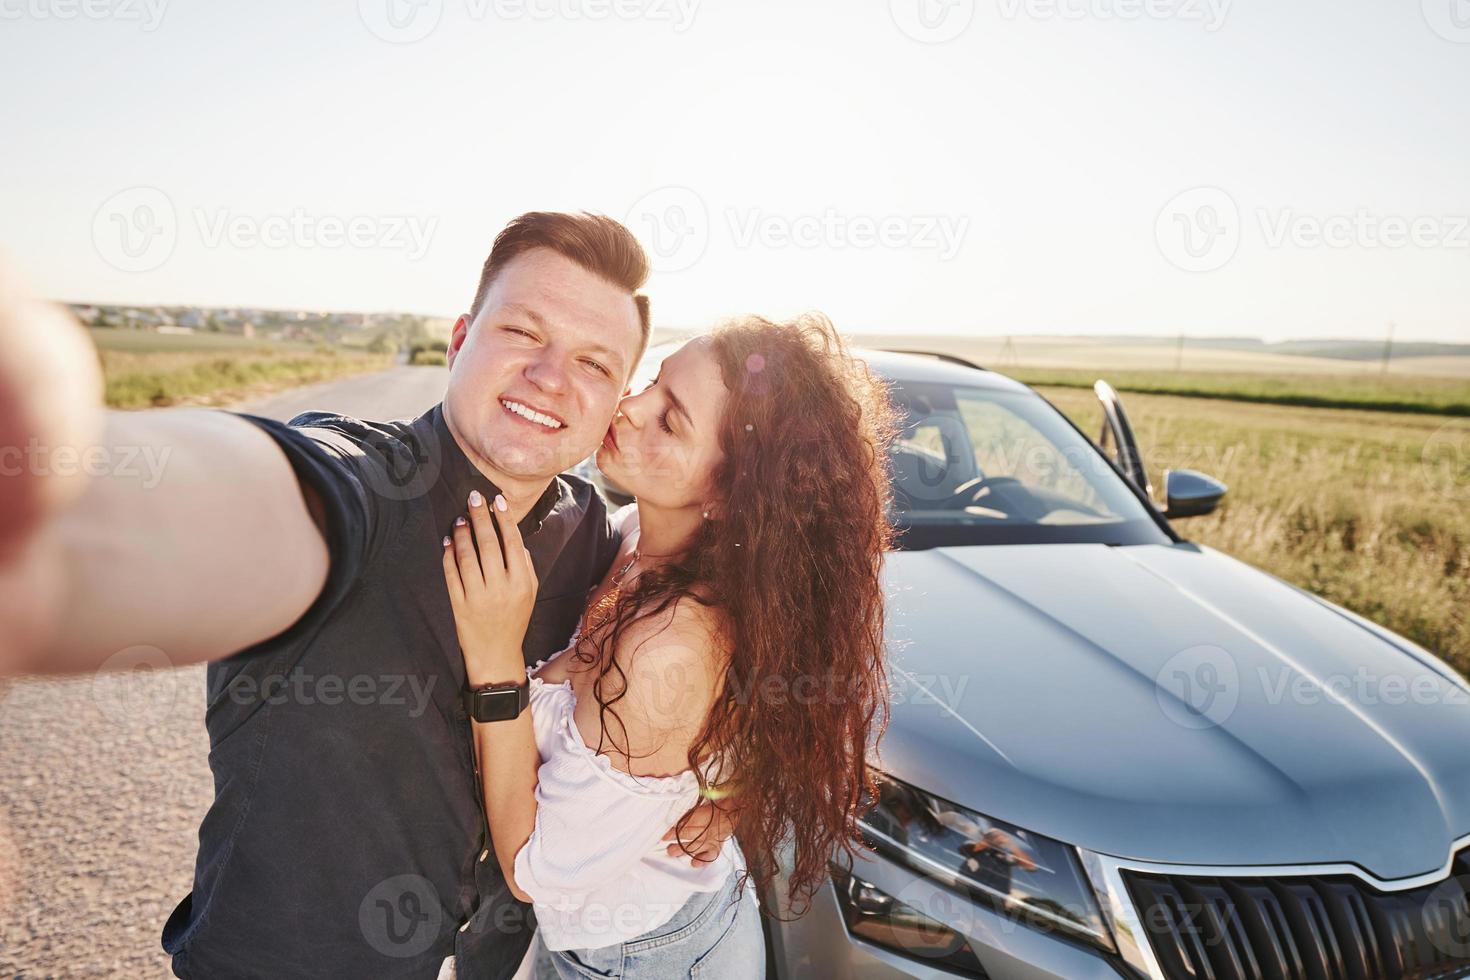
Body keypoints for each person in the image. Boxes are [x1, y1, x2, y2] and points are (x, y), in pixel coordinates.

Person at [0, 212, 736, 979]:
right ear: (458, 340)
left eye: (594, 363)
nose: (551, 377)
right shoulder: (361, 490)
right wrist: (56, 511)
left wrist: (727, 785)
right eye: (523, 332)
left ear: (616, 396)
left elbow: (747, 631)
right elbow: (251, 502)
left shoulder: (593, 535)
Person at [440, 316, 899, 978]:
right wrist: (726, 790)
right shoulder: (639, 535)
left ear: (727, 493)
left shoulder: (667, 648)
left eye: (670, 421)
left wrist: (494, 661)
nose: (628, 407)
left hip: (640, 960)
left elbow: (530, 871)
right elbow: (768, 696)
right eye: (652, 382)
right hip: (629, 935)